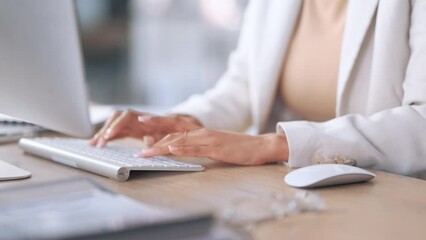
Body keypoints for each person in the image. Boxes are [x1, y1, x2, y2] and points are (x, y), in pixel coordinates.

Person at [91, 0, 426, 179]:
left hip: (388, 194)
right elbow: (243, 87)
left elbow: (421, 121)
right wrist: (179, 122)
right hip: (286, 188)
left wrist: (273, 145)